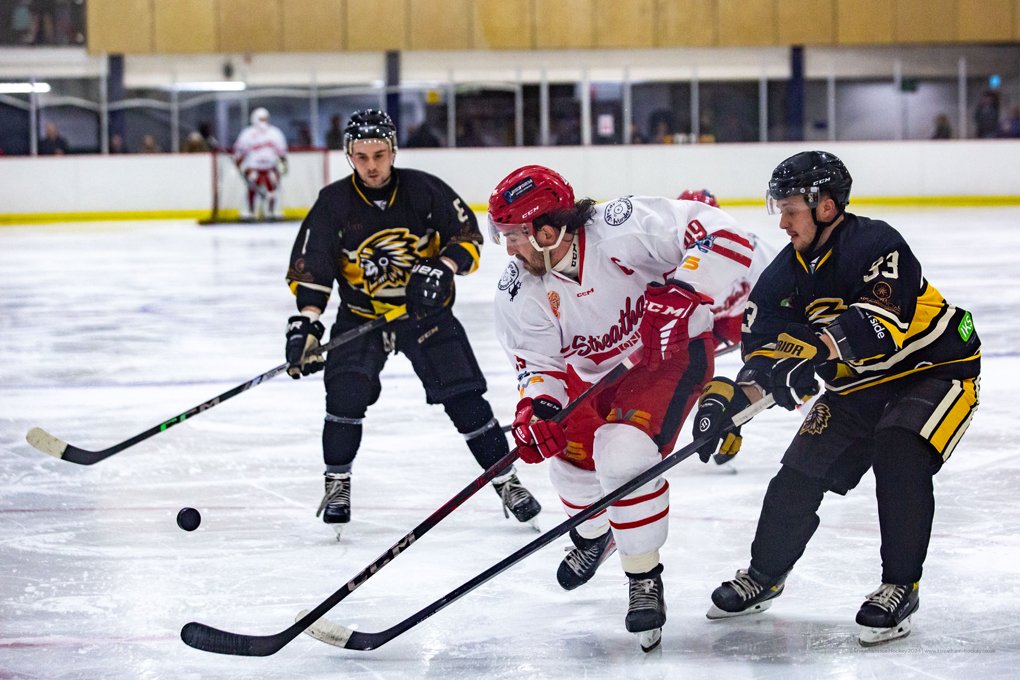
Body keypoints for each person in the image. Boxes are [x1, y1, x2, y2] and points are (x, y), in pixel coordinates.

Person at [691, 150, 981, 647]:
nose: (781, 222)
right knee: (797, 474)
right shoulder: (783, 274)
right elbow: (762, 353)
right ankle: (765, 574)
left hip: (933, 370)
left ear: (826, 206)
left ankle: (899, 586)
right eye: (777, 209)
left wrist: (811, 355)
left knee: (900, 451)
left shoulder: (876, 244)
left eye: (790, 210)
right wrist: (728, 406)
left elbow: (877, 325)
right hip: (857, 388)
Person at [489, 165, 754, 651]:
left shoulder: (622, 226)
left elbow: (722, 233)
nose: (508, 249)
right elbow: (538, 363)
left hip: (664, 357)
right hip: (592, 371)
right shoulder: (518, 288)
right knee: (567, 457)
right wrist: (538, 408)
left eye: (513, 235)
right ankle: (595, 536)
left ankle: (642, 578)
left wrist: (686, 288)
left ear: (547, 230)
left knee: (622, 453)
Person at [284, 109, 541, 540]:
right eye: (361, 156)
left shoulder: (424, 190)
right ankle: (337, 484)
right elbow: (314, 270)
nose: (371, 165)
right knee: (344, 396)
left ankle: (506, 482)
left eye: (380, 155)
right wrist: (306, 324)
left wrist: (442, 266)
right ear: (349, 155)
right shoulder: (333, 203)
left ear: (393, 151)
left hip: (426, 315)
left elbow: (469, 239)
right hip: (362, 315)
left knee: (466, 400)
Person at [232, 107, 288, 222]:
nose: (263, 121)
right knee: (252, 190)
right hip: (253, 168)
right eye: (260, 119)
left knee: (272, 191)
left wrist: (284, 166)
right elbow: (239, 153)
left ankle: (271, 213)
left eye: (265, 119)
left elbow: (282, 153)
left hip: (270, 168)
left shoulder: (275, 133)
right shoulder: (247, 134)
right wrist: (240, 165)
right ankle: (250, 213)